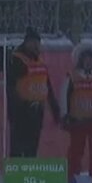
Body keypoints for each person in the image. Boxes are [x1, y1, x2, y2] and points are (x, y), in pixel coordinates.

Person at [6, 28, 60, 157]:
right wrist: (15, 109)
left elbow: (47, 86)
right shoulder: (18, 60)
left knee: (32, 149)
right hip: (22, 111)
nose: (36, 46)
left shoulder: (40, 61)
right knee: (18, 149)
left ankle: (29, 169)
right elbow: (11, 87)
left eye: (38, 43)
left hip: (37, 111)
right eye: (33, 43)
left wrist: (55, 109)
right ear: (26, 43)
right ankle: (17, 170)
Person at [61, 43, 92, 183]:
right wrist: (65, 115)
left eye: (90, 59)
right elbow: (64, 96)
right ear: (80, 60)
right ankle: (71, 177)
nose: (88, 62)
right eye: (85, 59)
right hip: (78, 120)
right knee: (75, 151)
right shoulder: (72, 76)